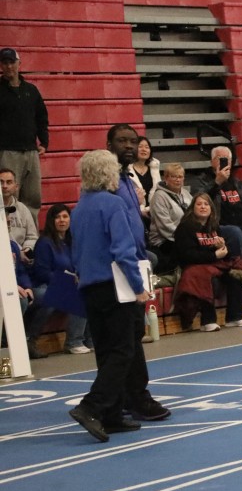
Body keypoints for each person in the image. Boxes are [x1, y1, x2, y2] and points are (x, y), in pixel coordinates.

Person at [69, 149, 170, 443]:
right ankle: (91, 406)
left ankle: (112, 415)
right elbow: (123, 251)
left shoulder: (79, 207)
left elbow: (77, 250)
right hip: (114, 286)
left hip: (90, 287)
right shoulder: (113, 204)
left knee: (105, 350)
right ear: (109, 173)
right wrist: (139, 287)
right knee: (124, 350)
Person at [173, 192, 242, 332]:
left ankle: (234, 317)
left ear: (211, 208)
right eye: (199, 204)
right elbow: (187, 255)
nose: (203, 207)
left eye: (206, 204)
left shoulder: (214, 226)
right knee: (206, 279)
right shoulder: (185, 228)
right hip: (194, 267)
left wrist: (221, 248)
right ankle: (207, 320)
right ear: (192, 208)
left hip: (213, 264)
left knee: (235, 275)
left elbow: (221, 255)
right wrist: (215, 255)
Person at [26, 204, 91, 356]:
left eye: (65, 216)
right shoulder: (44, 242)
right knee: (69, 295)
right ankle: (73, 342)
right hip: (43, 285)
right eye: (57, 217)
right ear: (51, 220)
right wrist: (65, 281)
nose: (62, 220)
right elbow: (41, 272)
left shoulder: (71, 242)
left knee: (89, 290)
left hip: (65, 284)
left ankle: (90, 339)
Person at [0, 48, 48, 222]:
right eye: (5, 63)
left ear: (19, 64)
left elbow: (41, 116)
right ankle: (8, 235)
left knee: (33, 198)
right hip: (7, 151)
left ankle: (31, 234)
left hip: (31, 151)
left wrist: (44, 141)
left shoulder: (31, 90)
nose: (9, 66)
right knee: (8, 197)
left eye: (12, 62)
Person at [147, 162, 191, 275]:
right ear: (166, 178)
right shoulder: (159, 196)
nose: (178, 180)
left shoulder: (185, 194)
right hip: (164, 241)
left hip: (185, 236)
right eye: (174, 176)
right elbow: (165, 226)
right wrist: (187, 237)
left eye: (180, 176)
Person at [9, 239, 42, 358]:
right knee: (19, 301)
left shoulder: (12, 244)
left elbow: (21, 271)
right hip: (6, 288)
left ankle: (27, 341)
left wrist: (27, 287)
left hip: (15, 287)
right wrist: (11, 285)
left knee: (37, 296)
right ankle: (8, 344)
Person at [1, 167, 38, 261]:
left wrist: (26, 249)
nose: (4, 186)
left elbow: (32, 237)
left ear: (16, 187)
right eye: (1, 182)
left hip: (20, 259)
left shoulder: (23, 209)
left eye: (9, 182)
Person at [127, 135, 160, 226]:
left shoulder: (154, 169)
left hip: (153, 213)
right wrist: (140, 209)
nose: (144, 149)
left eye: (147, 147)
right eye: (140, 146)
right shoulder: (127, 170)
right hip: (134, 213)